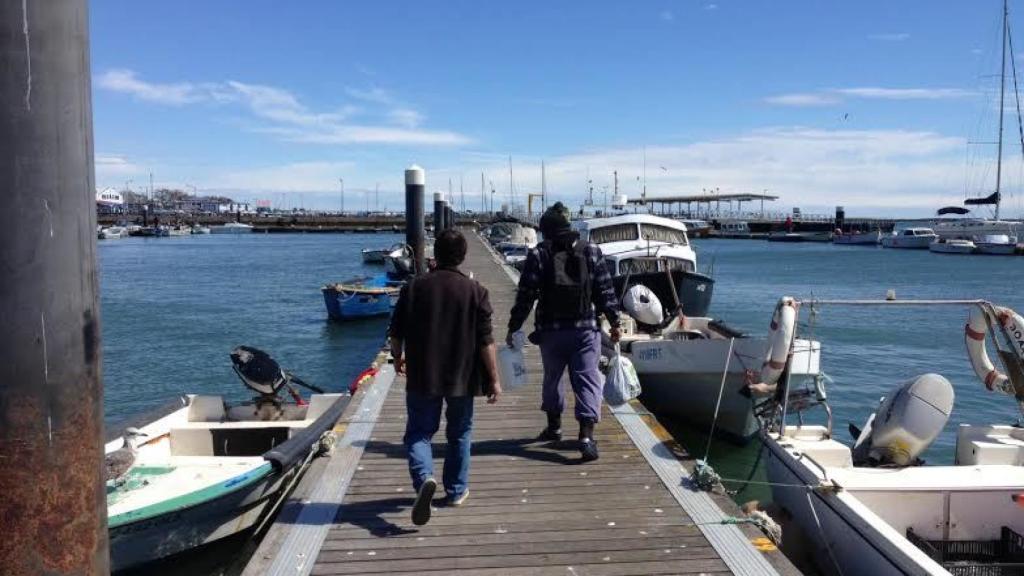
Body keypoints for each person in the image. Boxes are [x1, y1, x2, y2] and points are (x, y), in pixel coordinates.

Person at [389, 228, 501, 526]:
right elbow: (486, 341)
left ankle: (425, 477)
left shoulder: (413, 287)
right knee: (460, 432)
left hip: (423, 373)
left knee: (418, 433)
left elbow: (396, 330)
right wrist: (494, 379)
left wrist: (397, 357)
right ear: (463, 257)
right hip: (462, 376)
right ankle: (456, 491)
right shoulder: (477, 292)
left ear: (434, 254)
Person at [506, 202, 621, 463]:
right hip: (585, 330)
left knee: (553, 377)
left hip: (551, 331)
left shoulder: (538, 254)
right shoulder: (591, 250)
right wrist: (614, 322)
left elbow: (526, 295)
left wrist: (514, 327)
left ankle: (554, 427)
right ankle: (586, 437)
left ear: (546, 231)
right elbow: (605, 291)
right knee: (587, 379)